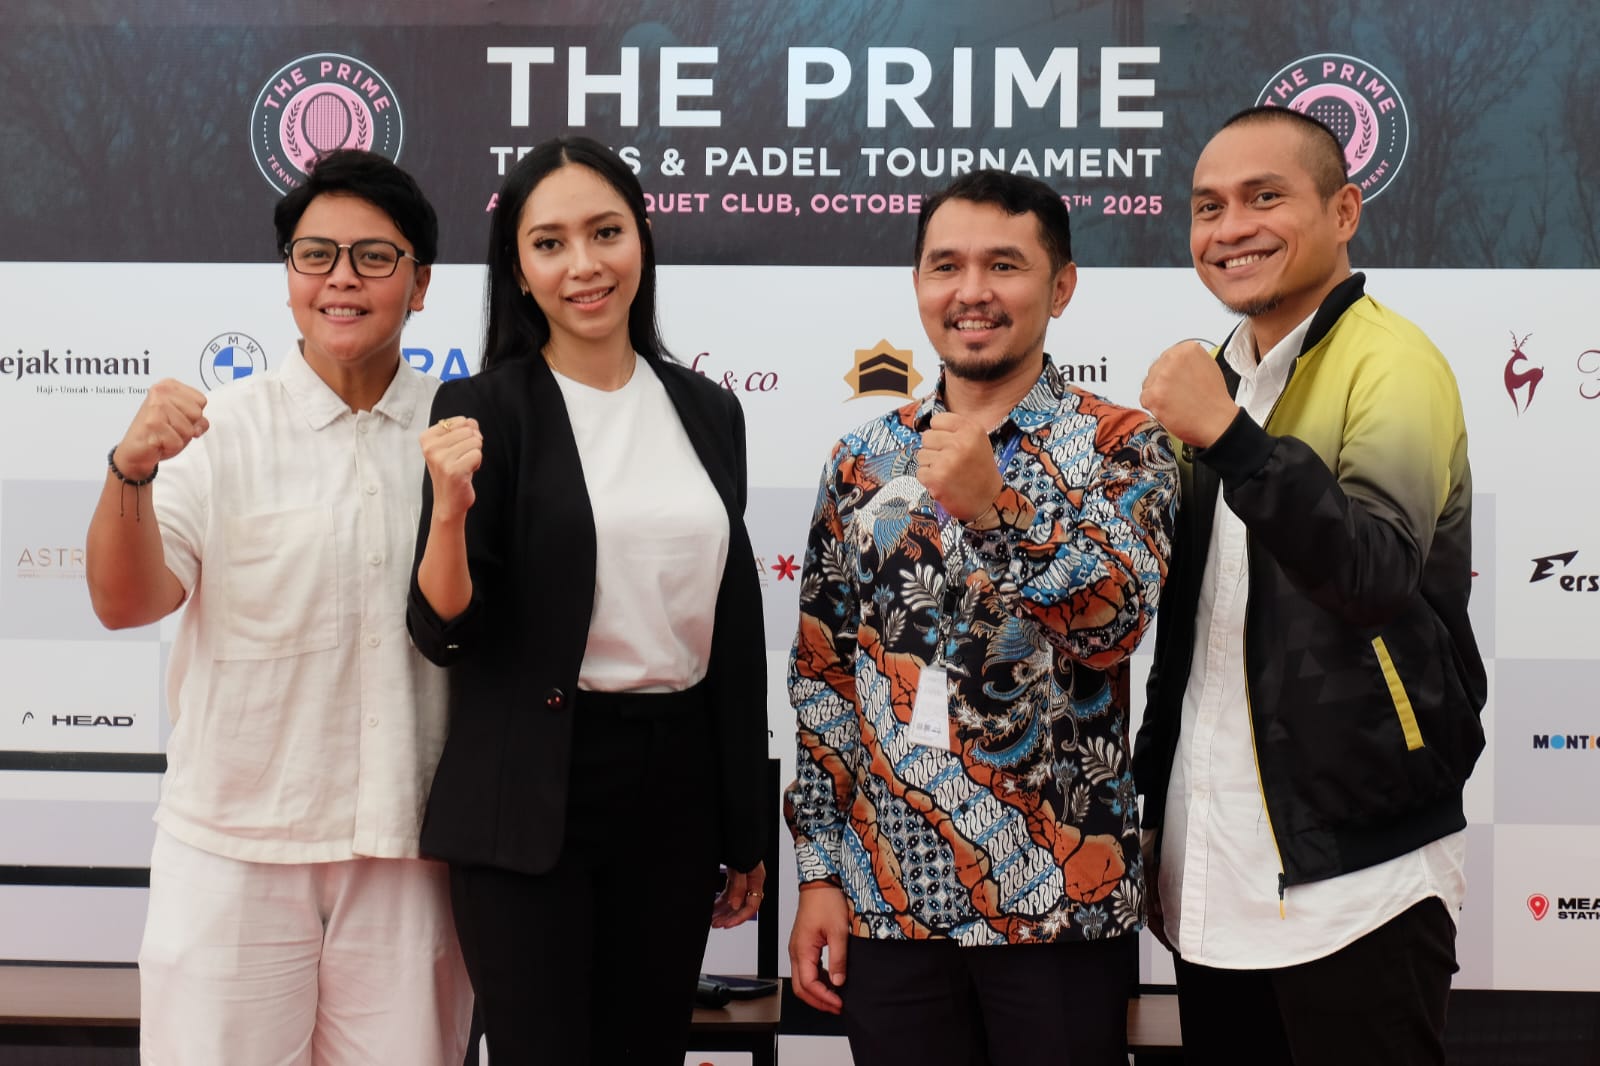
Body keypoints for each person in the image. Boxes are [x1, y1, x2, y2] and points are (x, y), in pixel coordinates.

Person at [84, 150, 472, 1065]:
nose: (342, 279)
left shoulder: (464, 432)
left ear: (420, 285)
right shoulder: (216, 431)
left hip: (411, 853)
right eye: (315, 255)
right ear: (289, 276)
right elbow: (125, 602)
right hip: (233, 851)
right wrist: (129, 472)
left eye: (374, 257)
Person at [784, 169, 1178, 1065]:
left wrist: (996, 507)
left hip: (1060, 906)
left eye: (1004, 265)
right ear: (918, 284)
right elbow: (824, 676)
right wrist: (819, 872)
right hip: (888, 902)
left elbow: (1112, 628)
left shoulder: (1124, 444)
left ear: (1061, 287)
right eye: (946, 266)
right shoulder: (862, 458)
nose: (972, 291)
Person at [1135, 106, 1485, 1066]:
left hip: (1361, 873)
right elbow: (1191, 635)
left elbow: (1373, 573)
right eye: (1208, 206)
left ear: (1344, 212)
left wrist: (1231, 438)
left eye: (1264, 197)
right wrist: (1155, 812)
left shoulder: (1393, 361)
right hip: (1214, 872)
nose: (1230, 227)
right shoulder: (1219, 379)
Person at [407, 135, 768, 1064]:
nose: (584, 265)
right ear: (519, 271)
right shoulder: (484, 406)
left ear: (641, 240)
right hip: (531, 791)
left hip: (674, 791)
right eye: (550, 243)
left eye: (606, 232)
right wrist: (447, 513)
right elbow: (445, 631)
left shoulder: (707, 409)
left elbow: (731, 629)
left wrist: (743, 825)